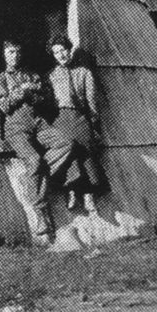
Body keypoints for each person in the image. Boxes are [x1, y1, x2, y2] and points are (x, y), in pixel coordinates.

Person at [42, 33, 105, 213]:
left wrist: (93, 123)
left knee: (86, 147)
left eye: (63, 50)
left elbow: (91, 102)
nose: (61, 55)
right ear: (53, 56)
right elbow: (47, 104)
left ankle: (88, 193)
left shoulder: (84, 73)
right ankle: (71, 190)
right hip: (60, 118)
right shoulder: (50, 76)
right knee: (69, 149)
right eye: (56, 52)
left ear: (69, 50)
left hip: (80, 116)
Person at [0, 41, 54, 237]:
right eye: (11, 52)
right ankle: (40, 213)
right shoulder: (2, 78)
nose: (15, 55)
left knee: (67, 143)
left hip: (38, 122)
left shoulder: (32, 74)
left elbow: (46, 99)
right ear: (5, 55)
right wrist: (23, 90)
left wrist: (34, 93)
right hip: (16, 128)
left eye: (18, 51)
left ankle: (32, 176)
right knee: (35, 160)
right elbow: (4, 107)